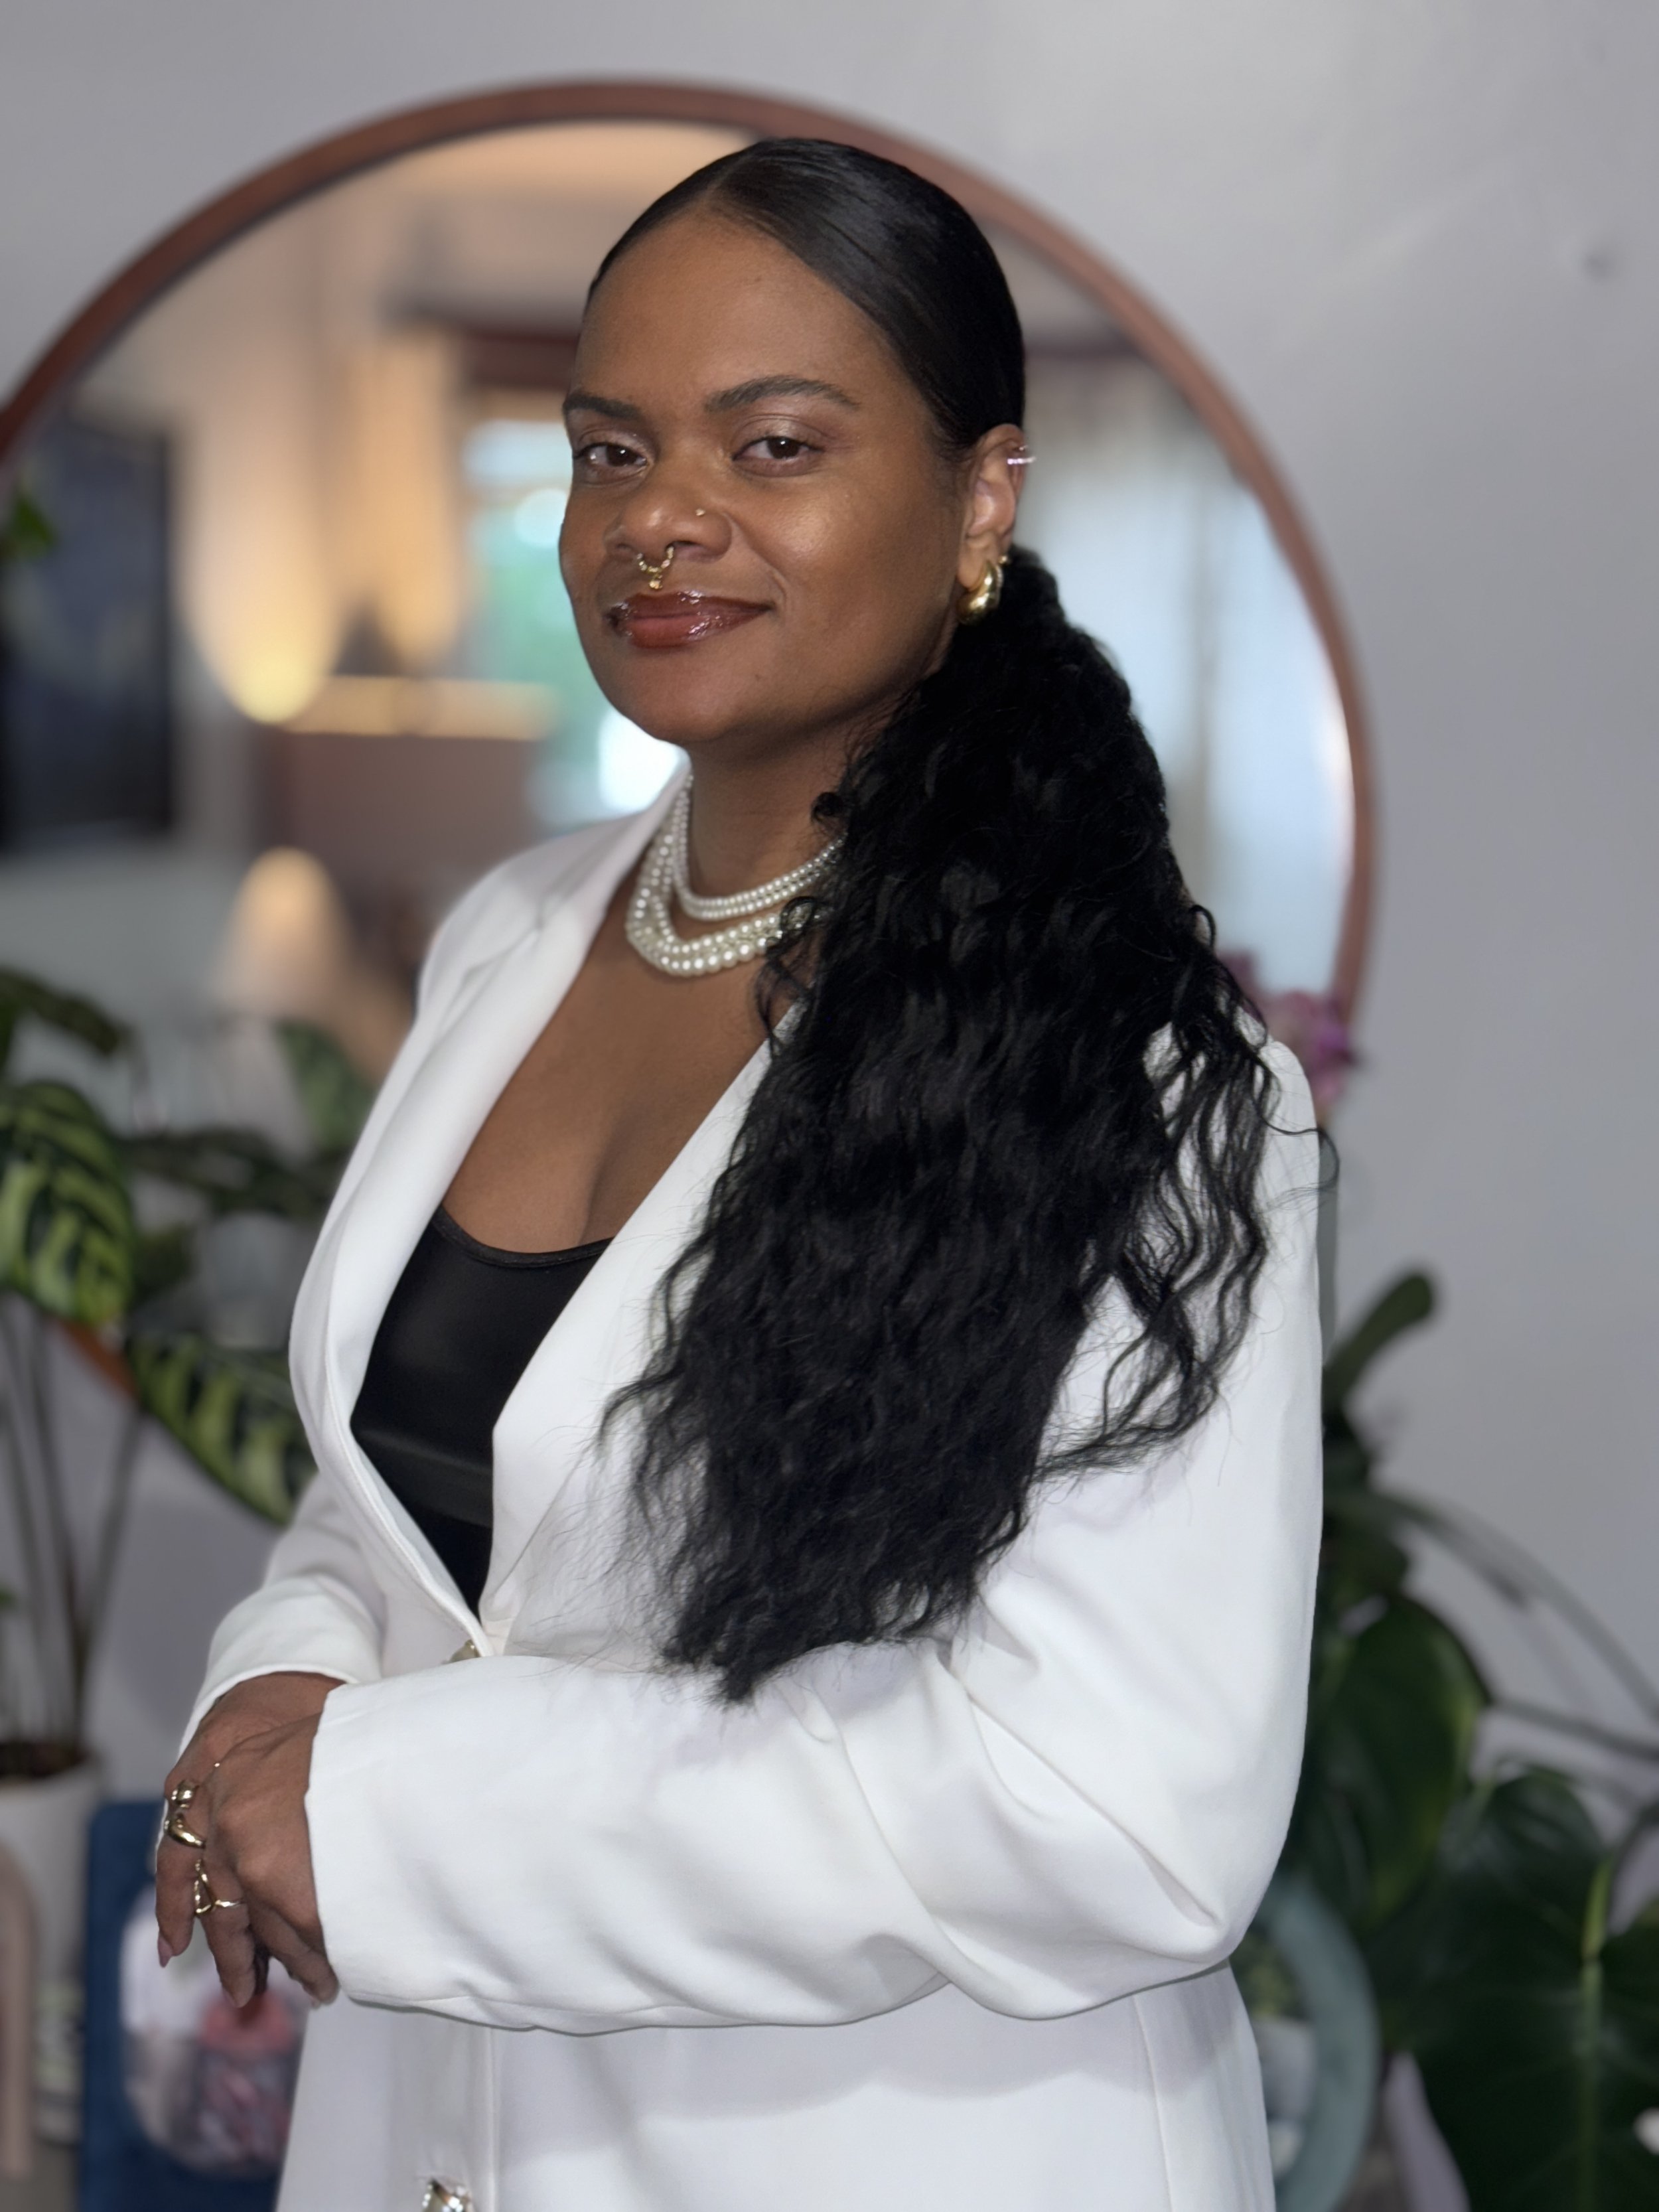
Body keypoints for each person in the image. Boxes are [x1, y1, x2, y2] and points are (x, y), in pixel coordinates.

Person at [156, 139, 1321, 2212]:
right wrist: (275, 1700)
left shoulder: (1133, 1076)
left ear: (982, 496)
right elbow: (414, 1509)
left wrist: (387, 1808)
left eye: (769, 442)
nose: (659, 521)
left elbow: (1113, 1809)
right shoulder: (511, 934)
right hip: (429, 2137)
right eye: (608, 450)